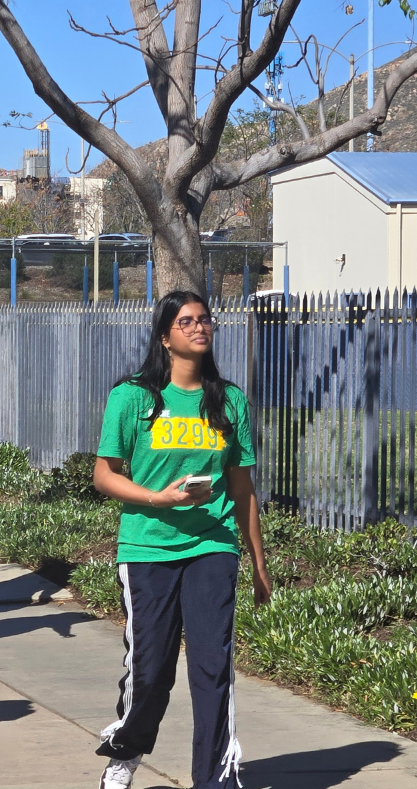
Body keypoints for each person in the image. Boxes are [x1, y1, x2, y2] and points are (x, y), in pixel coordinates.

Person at [91, 291, 272, 789]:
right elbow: (104, 475)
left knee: (213, 668)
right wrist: (158, 499)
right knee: (151, 669)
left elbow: (241, 486)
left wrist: (257, 560)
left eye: (205, 320)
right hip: (147, 545)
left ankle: (213, 779)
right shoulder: (133, 397)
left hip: (212, 546)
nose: (199, 328)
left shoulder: (229, 400)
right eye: (186, 321)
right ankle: (127, 748)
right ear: (165, 336)